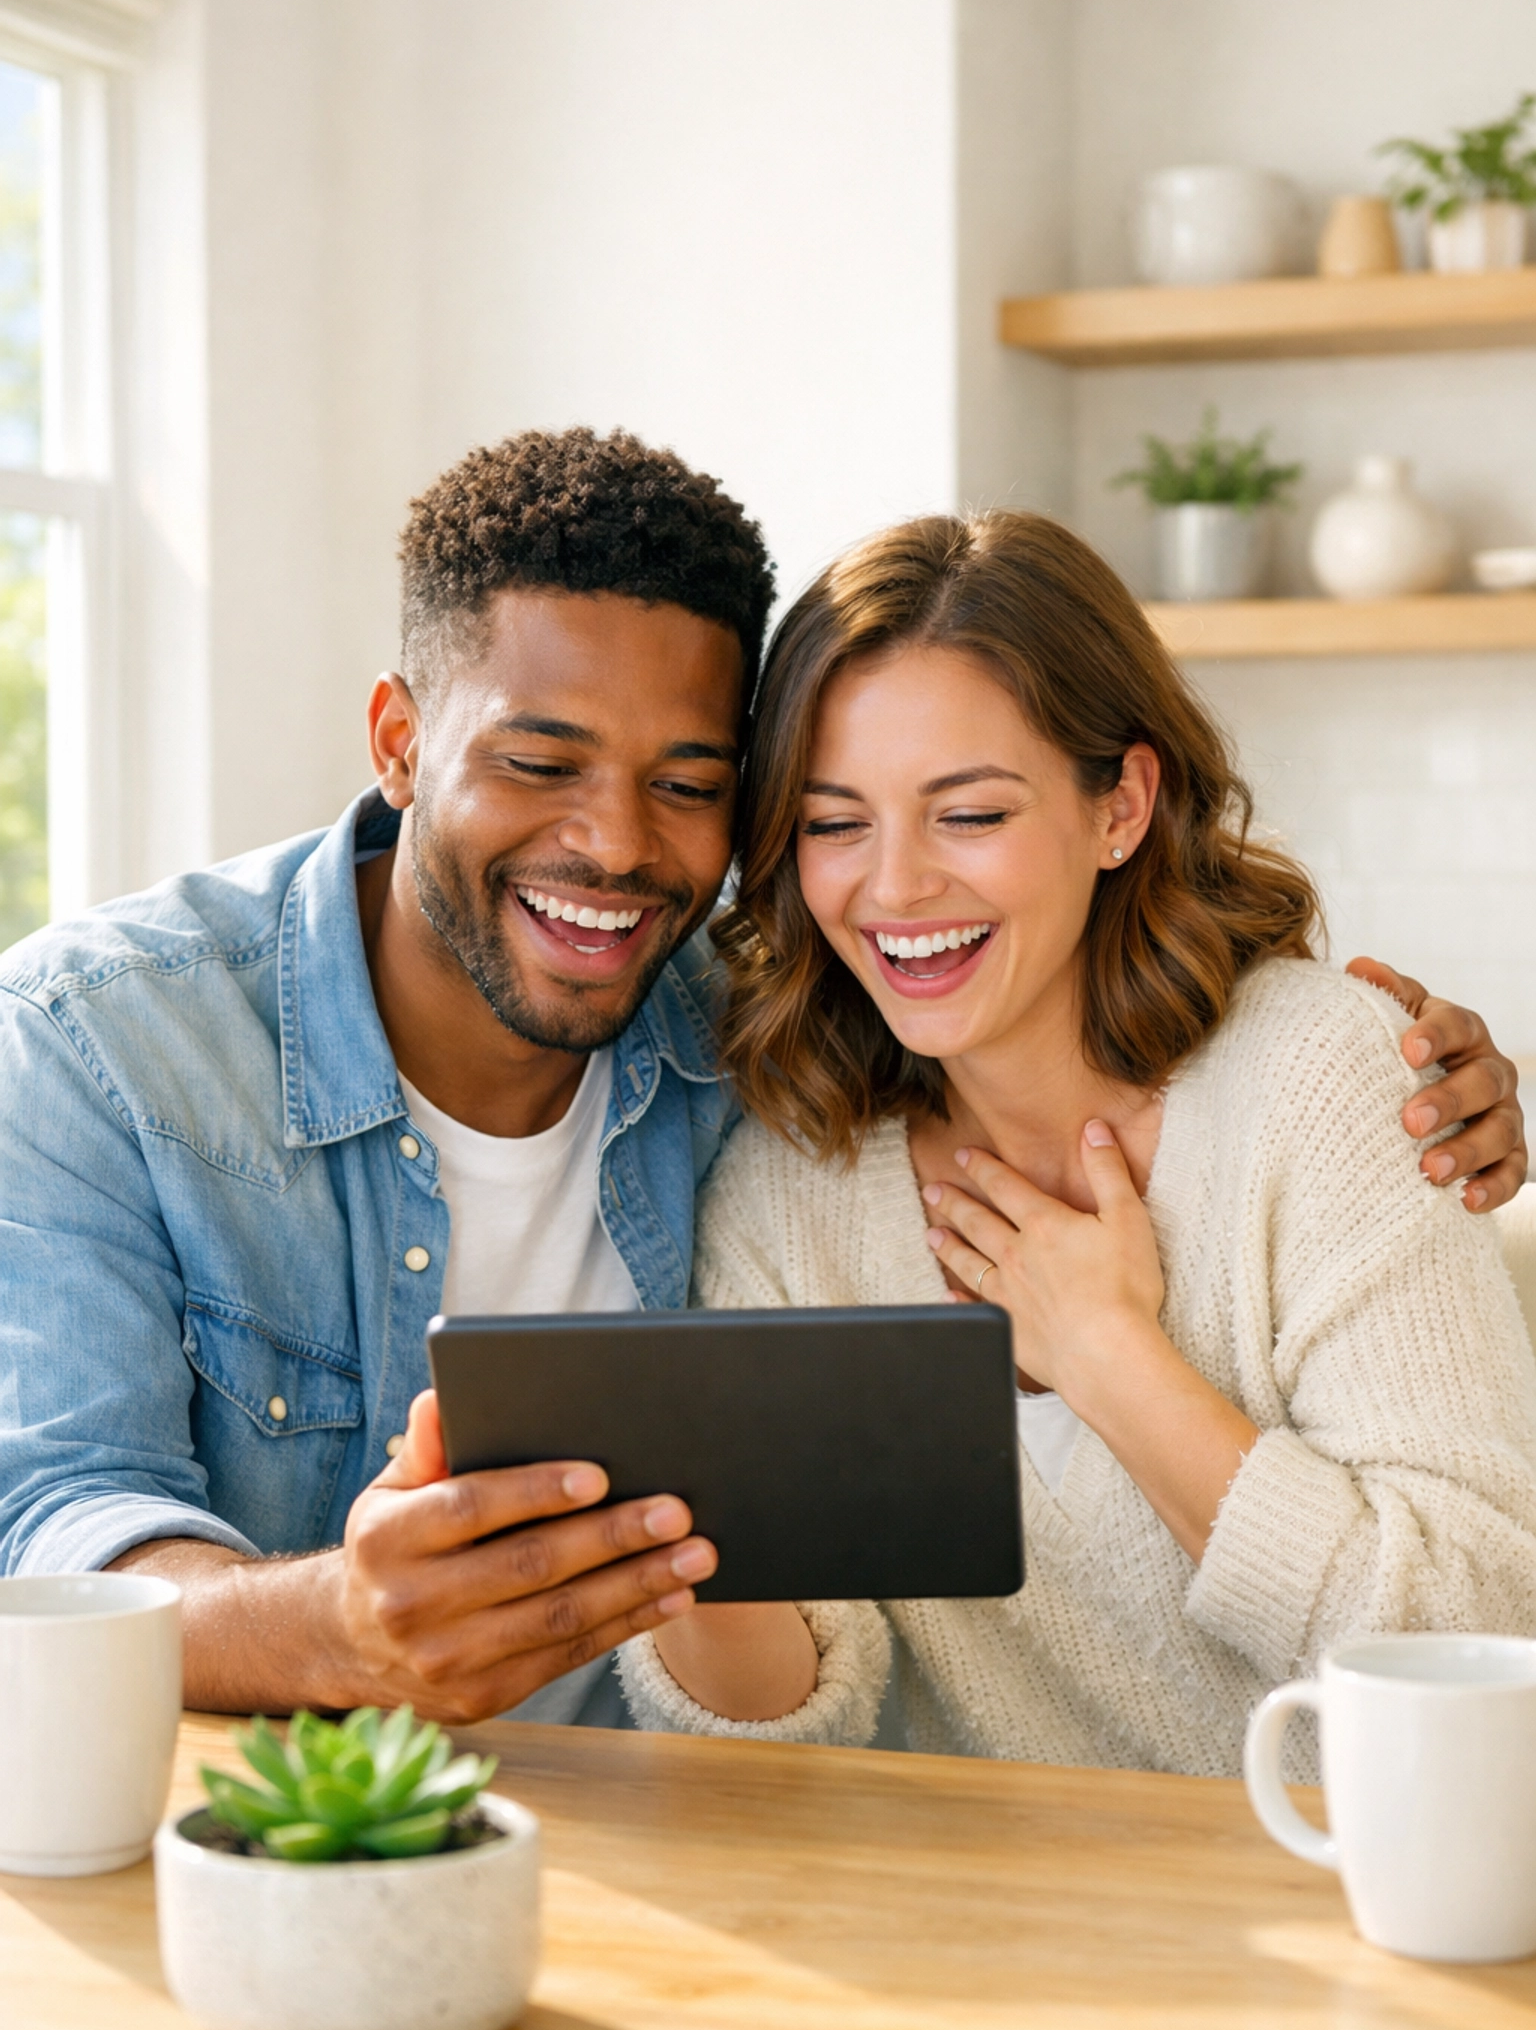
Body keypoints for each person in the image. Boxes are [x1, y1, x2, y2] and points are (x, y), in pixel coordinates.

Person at [0, 438, 1523, 1725]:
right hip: (313, 1838)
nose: (614, 845)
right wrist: (344, 1626)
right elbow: (48, 1536)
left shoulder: (764, 1044)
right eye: (539, 763)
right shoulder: (105, 1044)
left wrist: (1366, 1092)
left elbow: (1480, 1628)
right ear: (400, 741)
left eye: (689, 786)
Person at [619, 509, 1536, 1773]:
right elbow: (793, 1725)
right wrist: (678, 1544)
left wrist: (1109, 1356)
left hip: (1358, 1875)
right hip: (1008, 1888)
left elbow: (1481, 1628)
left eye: (969, 814)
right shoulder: (794, 1182)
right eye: (834, 824)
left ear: (1122, 806)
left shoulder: (1319, 1081)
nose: (894, 886)